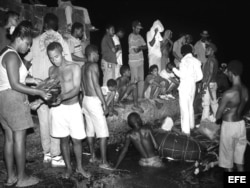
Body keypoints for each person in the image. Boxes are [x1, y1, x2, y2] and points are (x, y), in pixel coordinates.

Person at [0, 21, 50, 187]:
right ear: (20, 38)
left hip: (3, 100)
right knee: (19, 141)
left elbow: (10, 78)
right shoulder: (13, 55)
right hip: (14, 99)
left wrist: (32, 80)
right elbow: (14, 84)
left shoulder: (5, 52)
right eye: (28, 44)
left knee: (9, 140)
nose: (28, 48)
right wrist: (39, 92)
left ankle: (11, 177)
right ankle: (22, 179)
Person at [24, 13, 72, 167]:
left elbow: (25, 61)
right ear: (56, 25)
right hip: (55, 86)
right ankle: (56, 155)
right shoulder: (61, 42)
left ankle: (47, 154)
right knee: (56, 121)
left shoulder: (36, 41)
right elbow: (69, 63)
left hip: (38, 87)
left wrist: (28, 79)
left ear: (44, 25)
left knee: (44, 122)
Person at [47, 42, 91, 179]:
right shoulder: (51, 70)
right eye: (51, 58)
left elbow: (77, 89)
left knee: (77, 140)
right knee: (63, 140)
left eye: (56, 56)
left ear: (62, 53)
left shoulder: (74, 67)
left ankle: (79, 167)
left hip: (73, 107)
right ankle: (69, 168)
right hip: (58, 109)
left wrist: (62, 97)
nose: (54, 60)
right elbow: (49, 88)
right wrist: (41, 99)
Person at [81, 44, 112, 170]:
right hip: (93, 101)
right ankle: (104, 162)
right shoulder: (93, 66)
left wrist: (83, 101)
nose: (99, 56)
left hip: (86, 100)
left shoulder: (83, 67)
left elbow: (82, 86)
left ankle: (93, 156)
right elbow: (96, 86)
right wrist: (104, 103)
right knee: (103, 133)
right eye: (97, 53)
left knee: (90, 130)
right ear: (92, 53)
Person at [215, 60, 248, 172]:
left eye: (227, 72)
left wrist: (223, 108)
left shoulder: (229, 93)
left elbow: (218, 115)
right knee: (239, 163)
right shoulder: (245, 90)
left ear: (231, 73)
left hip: (229, 127)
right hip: (241, 126)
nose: (227, 74)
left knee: (227, 163)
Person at [171, 44, 203, 135]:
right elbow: (200, 77)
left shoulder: (184, 61)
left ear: (183, 53)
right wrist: (192, 80)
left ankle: (186, 132)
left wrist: (173, 68)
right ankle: (191, 126)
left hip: (185, 86)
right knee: (190, 106)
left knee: (184, 108)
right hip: (193, 85)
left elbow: (182, 75)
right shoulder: (196, 61)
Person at [128, 20, 147, 98]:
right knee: (134, 81)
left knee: (141, 80)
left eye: (139, 28)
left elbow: (146, 46)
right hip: (133, 62)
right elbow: (135, 50)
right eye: (137, 28)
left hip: (140, 61)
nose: (139, 30)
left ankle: (140, 97)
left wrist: (140, 48)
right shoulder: (131, 36)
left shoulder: (140, 36)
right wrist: (141, 48)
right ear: (133, 28)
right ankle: (133, 98)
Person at [201, 43, 219, 121]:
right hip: (213, 84)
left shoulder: (211, 60)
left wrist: (205, 85)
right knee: (214, 103)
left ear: (212, 51)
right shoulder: (214, 60)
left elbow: (210, 74)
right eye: (206, 49)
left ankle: (204, 124)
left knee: (206, 105)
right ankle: (218, 120)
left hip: (208, 84)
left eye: (208, 49)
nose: (206, 51)